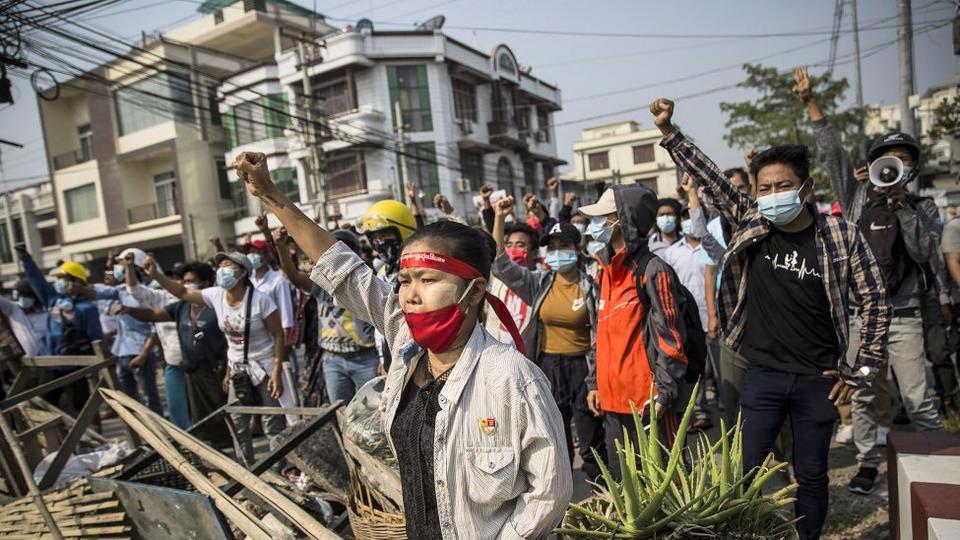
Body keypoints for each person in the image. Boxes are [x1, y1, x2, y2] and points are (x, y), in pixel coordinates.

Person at [235, 150, 572, 539]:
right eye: (405, 280)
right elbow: (344, 271)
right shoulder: (407, 347)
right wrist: (271, 195)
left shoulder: (511, 377)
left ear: (475, 290)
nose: (411, 295)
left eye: (428, 281)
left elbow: (551, 491)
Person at [652, 96, 890, 540]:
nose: (772, 195)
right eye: (764, 187)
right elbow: (711, 178)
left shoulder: (839, 235)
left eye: (783, 185)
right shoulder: (750, 220)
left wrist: (860, 369)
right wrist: (670, 133)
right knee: (743, 472)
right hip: (761, 373)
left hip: (818, 377)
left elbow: (875, 301)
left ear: (807, 188)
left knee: (813, 474)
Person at [796, 65, 944, 496]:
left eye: (905, 160)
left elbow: (923, 252)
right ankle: (866, 463)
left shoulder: (923, 208)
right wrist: (810, 102)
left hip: (905, 317)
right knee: (861, 395)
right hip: (862, 319)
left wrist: (903, 209)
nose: (896, 168)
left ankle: (937, 462)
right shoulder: (857, 195)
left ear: (913, 168)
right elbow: (832, 153)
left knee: (917, 397)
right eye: (888, 160)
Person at [580, 183, 690, 480]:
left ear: (625, 219)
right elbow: (600, 336)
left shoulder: (653, 270)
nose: (596, 224)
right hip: (612, 401)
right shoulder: (604, 271)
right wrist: (594, 383)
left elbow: (671, 339)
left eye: (605, 216)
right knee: (628, 481)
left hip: (647, 402)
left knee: (664, 481)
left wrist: (664, 394)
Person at [491, 205, 606, 479]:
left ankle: (602, 495)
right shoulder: (539, 283)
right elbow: (500, 265)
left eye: (563, 246)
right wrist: (498, 217)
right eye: (551, 248)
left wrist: (596, 381)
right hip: (548, 368)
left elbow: (600, 335)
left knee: (591, 443)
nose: (556, 253)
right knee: (555, 440)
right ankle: (563, 503)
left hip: (583, 370)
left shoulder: (591, 286)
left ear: (577, 248)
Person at [150, 250, 286, 464]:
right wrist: (157, 275)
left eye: (228, 266)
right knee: (238, 420)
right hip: (238, 368)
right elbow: (183, 293)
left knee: (272, 422)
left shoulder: (261, 301)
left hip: (265, 365)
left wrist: (277, 370)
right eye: (220, 266)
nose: (223, 271)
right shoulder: (216, 295)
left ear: (242, 273)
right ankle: (248, 470)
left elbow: (278, 335)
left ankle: (279, 469)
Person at [121, 260, 229, 442]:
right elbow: (153, 315)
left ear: (205, 284)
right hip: (190, 370)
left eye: (190, 280)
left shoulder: (217, 304)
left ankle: (235, 452)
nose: (185, 285)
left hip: (215, 369)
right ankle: (207, 451)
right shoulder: (181, 306)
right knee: (198, 416)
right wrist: (129, 310)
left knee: (222, 412)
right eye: (183, 281)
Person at [273, 226, 378, 404]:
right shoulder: (321, 282)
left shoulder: (367, 281)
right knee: (340, 413)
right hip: (333, 359)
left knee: (373, 412)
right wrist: (281, 247)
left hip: (366, 359)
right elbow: (293, 276)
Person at [19, 247, 104, 415]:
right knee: (44, 406)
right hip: (52, 365)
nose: (58, 282)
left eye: (62, 278)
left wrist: (96, 368)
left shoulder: (86, 308)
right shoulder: (53, 301)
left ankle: (90, 439)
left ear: (76, 281)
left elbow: (96, 337)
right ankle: (57, 440)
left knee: (82, 410)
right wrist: (26, 258)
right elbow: (37, 281)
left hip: (77, 367)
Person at [115, 251, 189, 428]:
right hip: (173, 362)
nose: (177, 283)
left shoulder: (195, 297)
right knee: (177, 410)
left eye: (181, 280)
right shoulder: (162, 297)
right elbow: (134, 289)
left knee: (200, 408)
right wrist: (129, 267)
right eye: (174, 279)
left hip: (198, 362)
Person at [83, 249, 162, 415]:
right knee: (128, 398)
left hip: (140, 350)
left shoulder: (146, 294)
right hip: (120, 350)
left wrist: (144, 354)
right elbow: (107, 280)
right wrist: (109, 263)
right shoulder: (117, 290)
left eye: (123, 266)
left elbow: (155, 329)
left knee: (149, 395)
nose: (118, 269)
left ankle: (161, 434)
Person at [665, 178, 712, 432]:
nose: (687, 223)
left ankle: (705, 409)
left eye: (690, 217)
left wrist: (693, 193)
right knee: (691, 368)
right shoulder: (672, 252)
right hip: (685, 320)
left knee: (707, 369)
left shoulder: (711, 246)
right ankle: (690, 413)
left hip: (710, 316)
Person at [357, 198, 418, 371]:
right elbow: (381, 322)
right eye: (374, 238)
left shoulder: (421, 270)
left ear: (404, 232)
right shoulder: (383, 272)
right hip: (394, 361)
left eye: (384, 236)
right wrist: (384, 358)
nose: (378, 242)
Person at [486, 221, 540, 350]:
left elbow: (501, 263)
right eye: (508, 245)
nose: (513, 249)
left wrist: (499, 217)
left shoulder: (540, 282)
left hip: (525, 355)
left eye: (520, 245)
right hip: (494, 351)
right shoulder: (497, 279)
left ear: (535, 252)